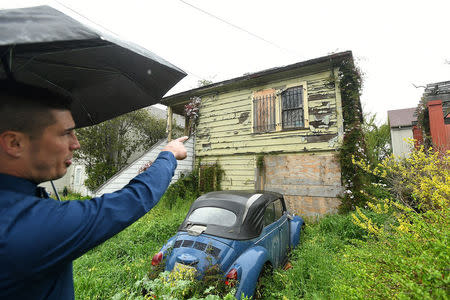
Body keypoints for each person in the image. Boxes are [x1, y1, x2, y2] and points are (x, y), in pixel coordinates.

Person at [0, 80, 188, 299]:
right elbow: (132, 200)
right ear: (14, 143)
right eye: (66, 133)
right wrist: (169, 154)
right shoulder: (23, 225)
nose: (76, 143)